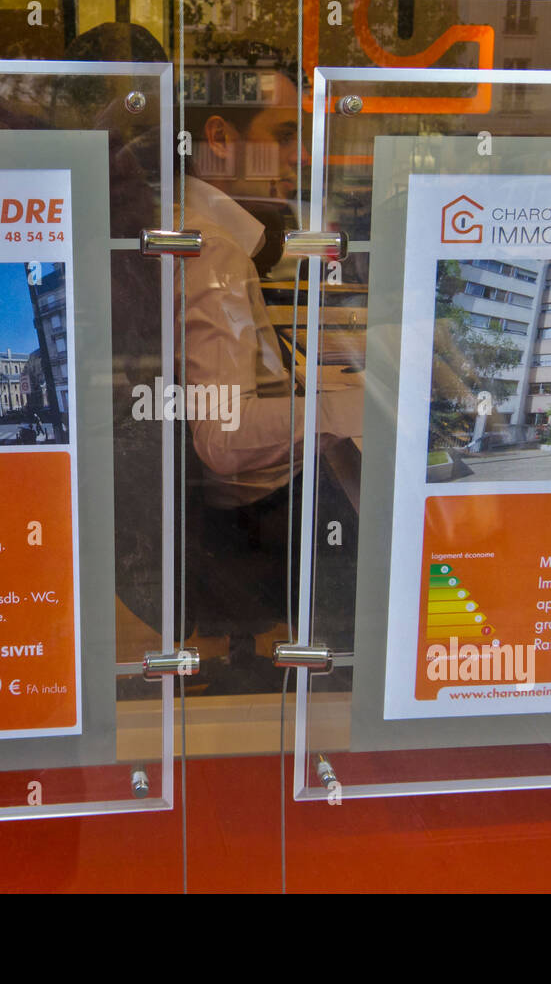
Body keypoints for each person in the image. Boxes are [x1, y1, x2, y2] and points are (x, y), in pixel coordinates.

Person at [181, 69, 363, 684]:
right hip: (261, 526)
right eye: (284, 135)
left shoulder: (203, 231)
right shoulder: (210, 246)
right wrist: (345, 413)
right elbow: (223, 440)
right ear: (220, 138)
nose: (298, 156)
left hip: (254, 517)